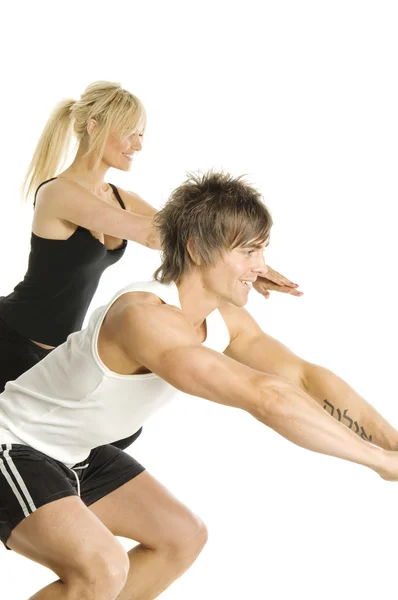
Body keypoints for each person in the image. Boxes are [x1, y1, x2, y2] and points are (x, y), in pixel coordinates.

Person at [0, 171, 396, 600]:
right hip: (13, 444)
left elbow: (302, 377)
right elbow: (266, 398)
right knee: (100, 568)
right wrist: (377, 461)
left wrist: (392, 444)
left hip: (75, 451)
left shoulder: (223, 319)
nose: (261, 267)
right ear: (195, 249)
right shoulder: (144, 317)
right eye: (248, 251)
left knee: (179, 537)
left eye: (262, 250)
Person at [0, 80, 301, 407]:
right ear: (94, 126)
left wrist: (251, 263)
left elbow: (190, 237)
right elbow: (156, 234)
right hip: (12, 334)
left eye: (141, 134)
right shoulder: (58, 193)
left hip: (55, 351)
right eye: (129, 132)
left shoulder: (119, 198)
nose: (138, 145)